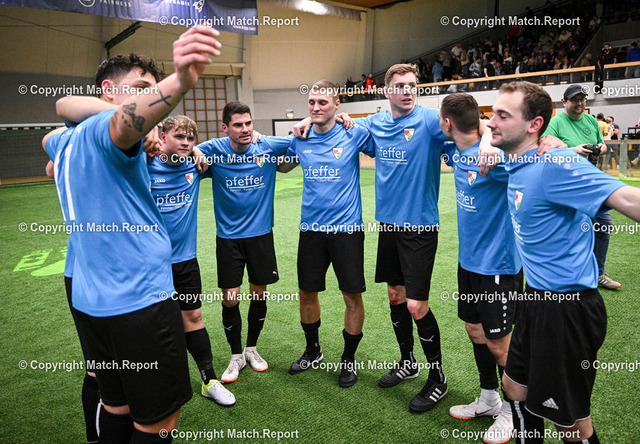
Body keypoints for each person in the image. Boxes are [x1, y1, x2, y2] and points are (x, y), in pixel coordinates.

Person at [42, 26, 222, 442]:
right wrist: (181, 80)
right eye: (141, 88)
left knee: (116, 405)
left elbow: (55, 137)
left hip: (92, 298)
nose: (147, 96)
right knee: (158, 422)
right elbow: (124, 122)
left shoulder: (65, 140)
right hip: (140, 300)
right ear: (108, 91)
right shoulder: (107, 130)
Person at [487, 80, 640, 444]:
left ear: (534, 124)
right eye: (492, 113)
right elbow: (467, 127)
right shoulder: (520, 158)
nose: (491, 121)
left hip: (568, 310)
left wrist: (561, 151)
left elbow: (629, 200)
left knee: (570, 424)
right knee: (514, 386)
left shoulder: (555, 163)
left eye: (502, 115)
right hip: (536, 299)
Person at [440, 93, 522, 444]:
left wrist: (492, 142)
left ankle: (514, 413)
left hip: (498, 267)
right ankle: (489, 398)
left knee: (500, 344)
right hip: (469, 263)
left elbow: (529, 156)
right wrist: (486, 134)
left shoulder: (495, 157)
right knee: (475, 330)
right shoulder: (455, 151)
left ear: (447, 123)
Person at [284, 80, 374, 388]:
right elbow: (282, 166)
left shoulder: (353, 132)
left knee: (351, 295)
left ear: (337, 105)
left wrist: (352, 119)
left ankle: (348, 359)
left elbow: (383, 146)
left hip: (347, 230)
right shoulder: (301, 136)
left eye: (322, 102)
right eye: (311, 102)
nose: (315, 107)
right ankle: (313, 350)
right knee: (306, 293)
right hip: (310, 230)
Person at [195, 102, 292, 383]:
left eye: (248, 123)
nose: (245, 129)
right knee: (230, 298)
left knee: (258, 294)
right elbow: (186, 148)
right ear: (225, 128)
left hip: (261, 236)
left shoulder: (267, 146)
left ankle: (252, 348)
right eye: (238, 125)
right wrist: (196, 151)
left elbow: (301, 138)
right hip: (228, 238)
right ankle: (236, 355)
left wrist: (311, 122)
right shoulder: (214, 149)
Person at [148, 115, 235, 406]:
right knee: (152, 324)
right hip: (149, 264)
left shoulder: (195, 165)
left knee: (194, 317)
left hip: (185, 261)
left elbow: (231, 145)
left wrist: (198, 151)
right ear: (162, 137)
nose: (186, 143)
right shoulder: (145, 165)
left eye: (190, 138)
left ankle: (209, 381)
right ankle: (152, 382)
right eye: (179, 137)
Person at [541, 85, 620, 290]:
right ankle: (565, 275)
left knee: (603, 226)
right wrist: (573, 150)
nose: (580, 103)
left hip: (590, 182)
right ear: (564, 102)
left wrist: (600, 148)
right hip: (565, 184)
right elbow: (545, 151)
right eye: (575, 100)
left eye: (582, 99)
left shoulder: (591, 121)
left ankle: (598, 273)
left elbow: (603, 144)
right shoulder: (555, 122)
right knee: (570, 232)